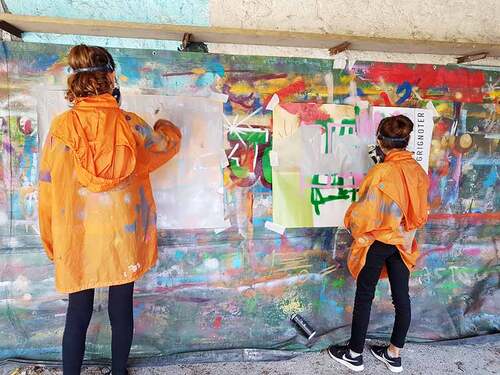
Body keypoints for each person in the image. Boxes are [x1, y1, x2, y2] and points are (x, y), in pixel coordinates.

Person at [38, 44, 181, 375]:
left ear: (74, 82)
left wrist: (51, 240)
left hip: (78, 236)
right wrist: (167, 126)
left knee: (78, 311)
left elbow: (47, 187)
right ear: (111, 78)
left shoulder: (61, 129)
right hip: (122, 236)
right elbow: (162, 148)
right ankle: (119, 372)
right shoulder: (130, 125)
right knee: (121, 308)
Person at [327, 115, 429, 373]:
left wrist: (350, 220)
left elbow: (364, 215)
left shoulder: (381, 171)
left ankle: (354, 355)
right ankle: (394, 355)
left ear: (380, 142)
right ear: (405, 142)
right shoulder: (418, 171)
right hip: (404, 241)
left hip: (379, 241)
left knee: (364, 295)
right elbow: (419, 211)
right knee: (401, 297)